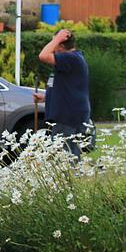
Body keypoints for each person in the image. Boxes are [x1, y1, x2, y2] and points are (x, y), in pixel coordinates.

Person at [36, 29, 90, 160]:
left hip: (67, 116)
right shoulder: (71, 59)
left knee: (65, 157)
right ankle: (73, 178)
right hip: (70, 113)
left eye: (54, 43)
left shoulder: (70, 58)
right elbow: (68, 87)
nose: (52, 47)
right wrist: (46, 97)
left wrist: (57, 38)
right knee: (69, 154)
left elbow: (42, 56)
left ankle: (69, 179)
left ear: (61, 45)